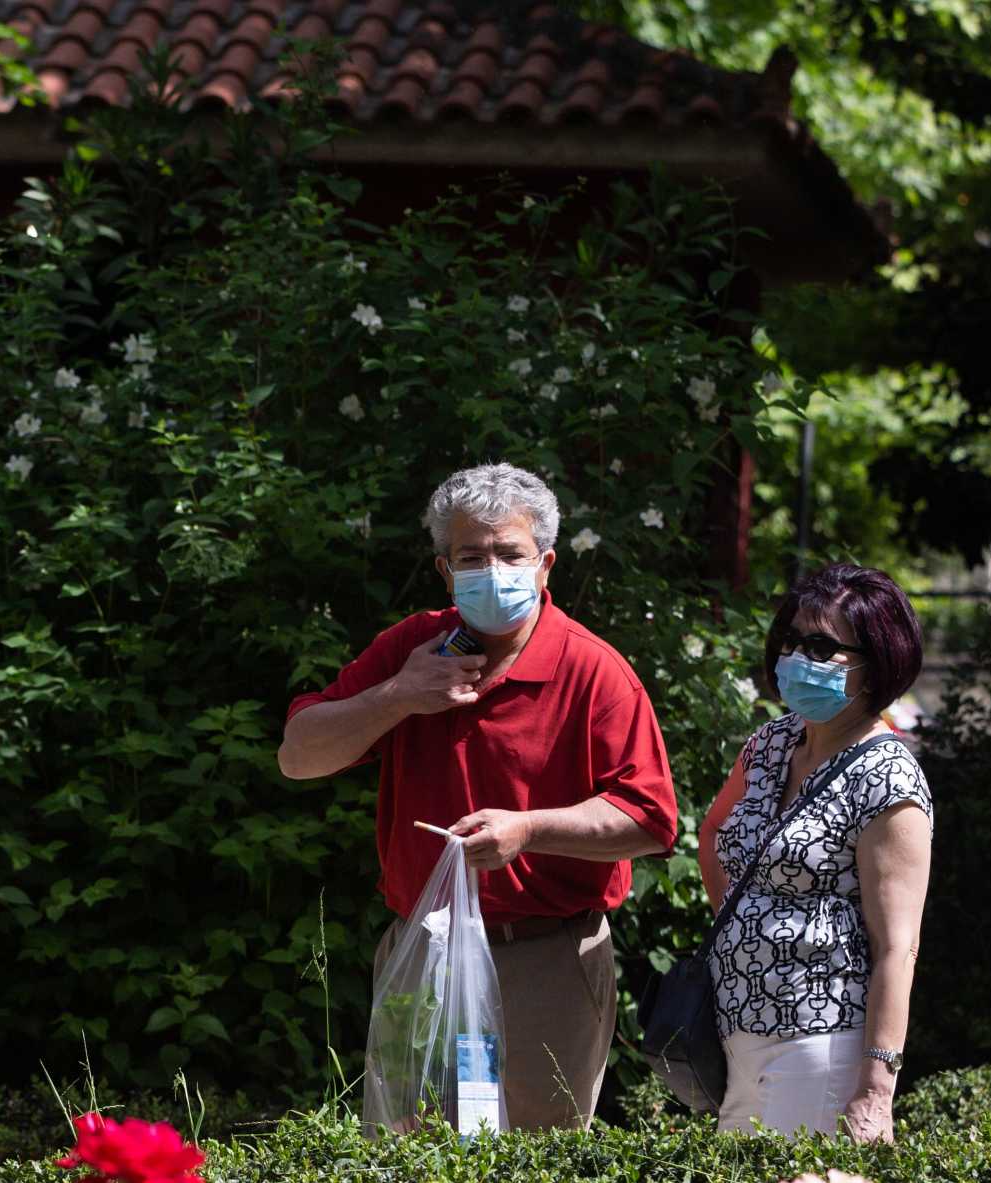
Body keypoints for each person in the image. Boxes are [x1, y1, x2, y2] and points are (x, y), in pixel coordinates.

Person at [278, 462, 680, 1129]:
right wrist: (399, 694)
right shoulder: (413, 647)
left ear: (546, 563)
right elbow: (298, 755)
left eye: (510, 553)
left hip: (544, 959)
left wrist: (529, 829)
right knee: (401, 1163)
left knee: (528, 1179)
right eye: (472, 555)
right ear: (445, 569)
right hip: (424, 951)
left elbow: (649, 819)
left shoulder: (593, 670)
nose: (492, 568)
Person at [697, 562, 933, 1141]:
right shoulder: (771, 743)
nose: (800, 658)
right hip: (736, 1033)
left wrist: (877, 1090)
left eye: (823, 646)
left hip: (820, 1040)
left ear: (876, 664)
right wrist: (743, 933)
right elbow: (713, 837)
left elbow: (898, 947)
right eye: (793, 641)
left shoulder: (888, 777)